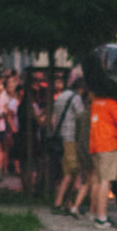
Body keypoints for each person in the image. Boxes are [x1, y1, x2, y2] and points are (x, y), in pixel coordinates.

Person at [87, 87, 117, 226]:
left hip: (95, 145)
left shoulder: (95, 102)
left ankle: (94, 213)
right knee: (106, 181)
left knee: (98, 181)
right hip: (109, 145)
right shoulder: (111, 104)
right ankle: (102, 217)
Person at [51, 80, 88, 215]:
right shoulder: (75, 98)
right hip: (70, 137)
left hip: (60, 136)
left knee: (68, 170)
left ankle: (67, 202)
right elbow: (81, 116)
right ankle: (59, 202)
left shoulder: (61, 96)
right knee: (71, 171)